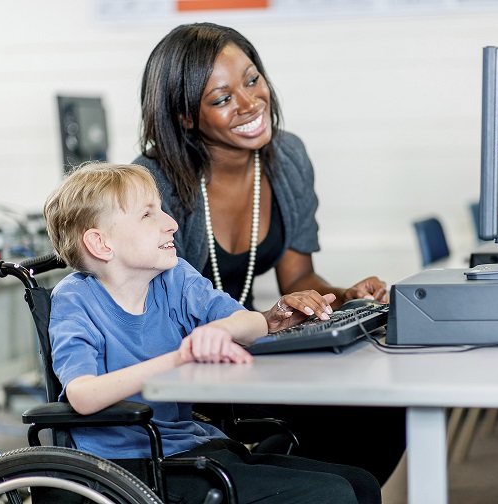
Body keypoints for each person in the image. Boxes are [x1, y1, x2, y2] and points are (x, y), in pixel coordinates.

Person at [134, 22, 405, 485]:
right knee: (351, 416)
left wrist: (340, 297)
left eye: (252, 79)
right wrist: (262, 321)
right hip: (186, 367)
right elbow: (154, 315)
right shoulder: (154, 184)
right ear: (185, 117)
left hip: (248, 350)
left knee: (382, 409)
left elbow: (297, 275)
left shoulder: (287, 157)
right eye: (221, 99)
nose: (249, 103)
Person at [43, 162, 381, 504]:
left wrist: (224, 329)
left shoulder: (173, 277)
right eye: (149, 215)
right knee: (334, 495)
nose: (171, 223)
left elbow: (249, 322)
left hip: (189, 446)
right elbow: (83, 395)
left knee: (361, 484)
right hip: (126, 468)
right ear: (101, 244)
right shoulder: (76, 300)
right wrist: (181, 357)